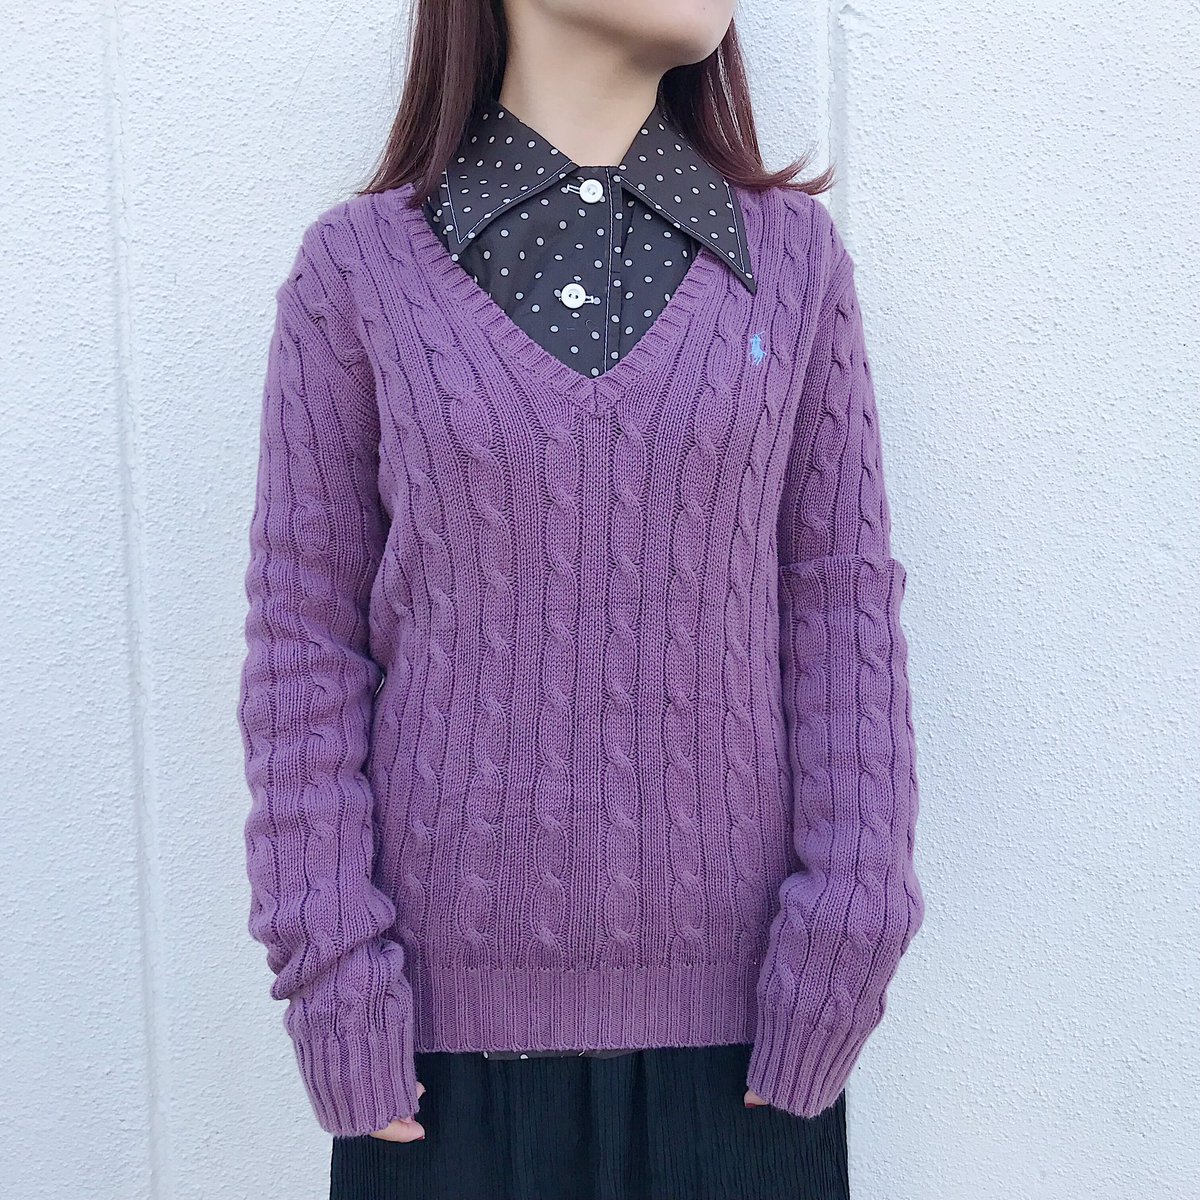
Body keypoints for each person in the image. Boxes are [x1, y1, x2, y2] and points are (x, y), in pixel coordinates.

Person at [235, 2, 927, 1197]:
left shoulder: (790, 261)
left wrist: (849, 933)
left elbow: (840, 604)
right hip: (433, 1069)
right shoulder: (359, 270)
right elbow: (305, 639)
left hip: (748, 1054)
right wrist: (334, 978)